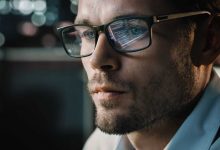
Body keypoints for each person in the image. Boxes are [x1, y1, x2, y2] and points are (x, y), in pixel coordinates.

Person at [57, 0, 220, 149]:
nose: (96, 60)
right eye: (87, 34)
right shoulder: (103, 144)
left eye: (131, 30)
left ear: (209, 40)